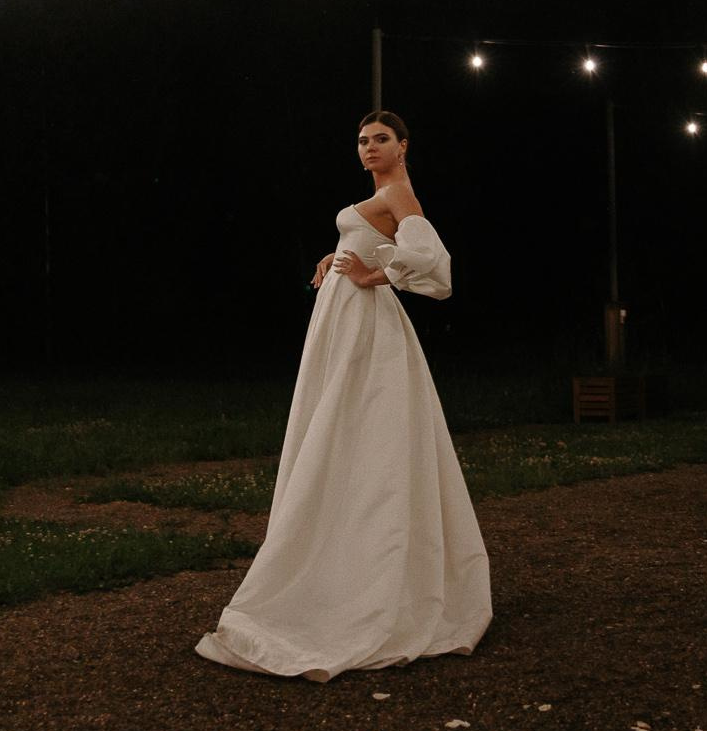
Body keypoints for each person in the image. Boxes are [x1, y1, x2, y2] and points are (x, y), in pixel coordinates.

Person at [194, 110, 492, 681]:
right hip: (344, 316)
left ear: (403, 146)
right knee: (340, 424)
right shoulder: (380, 196)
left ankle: (367, 574)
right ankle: (340, 554)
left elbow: (433, 263)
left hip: (364, 319)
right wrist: (341, 256)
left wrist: (374, 277)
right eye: (362, 140)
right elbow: (376, 241)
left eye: (381, 139)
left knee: (359, 427)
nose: (369, 147)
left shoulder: (399, 191)